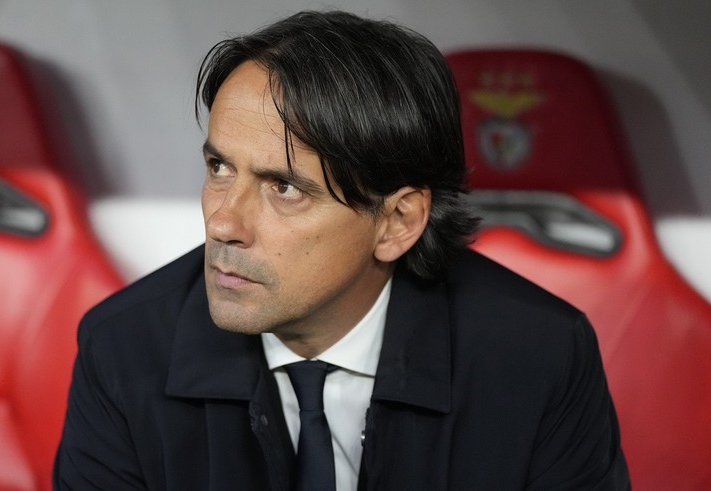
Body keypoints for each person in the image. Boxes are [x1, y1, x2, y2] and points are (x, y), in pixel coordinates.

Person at [53, 10, 629, 490]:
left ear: (397, 222)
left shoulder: (541, 355)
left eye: (284, 188)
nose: (223, 222)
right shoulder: (122, 349)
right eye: (219, 167)